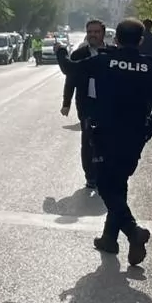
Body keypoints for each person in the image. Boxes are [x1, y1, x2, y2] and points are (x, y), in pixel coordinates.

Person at [54, 19, 152, 265]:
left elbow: (69, 69)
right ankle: (109, 238)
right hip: (134, 138)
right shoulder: (150, 68)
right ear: (140, 40)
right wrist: (147, 131)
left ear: (116, 39)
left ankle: (133, 231)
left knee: (106, 186)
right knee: (120, 185)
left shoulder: (104, 61)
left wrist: (60, 50)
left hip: (106, 135)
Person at [59, 19, 107, 188]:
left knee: (108, 141)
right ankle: (90, 176)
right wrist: (66, 103)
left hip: (108, 105)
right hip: (87, 104)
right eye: (90, 32)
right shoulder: (79, 55)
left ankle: (105, 173)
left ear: (103, 33)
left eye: (96, 32)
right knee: (88, 140)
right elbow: (70, 79)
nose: (92, 35)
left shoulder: (112, 54)